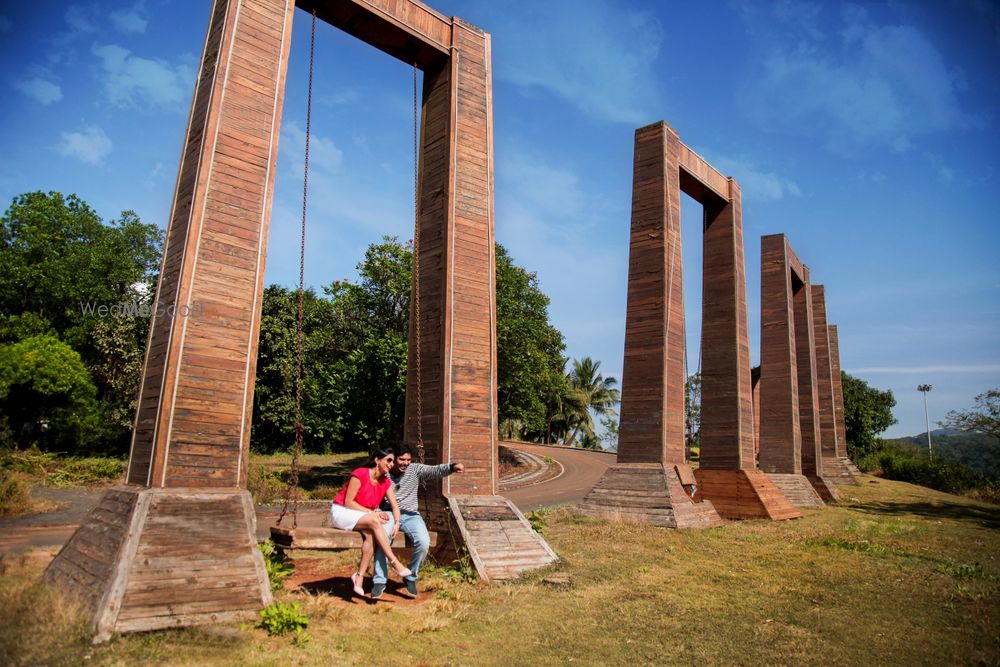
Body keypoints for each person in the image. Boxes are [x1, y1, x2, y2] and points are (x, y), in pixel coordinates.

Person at [371, 444, 463, 599]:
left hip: (411, 514)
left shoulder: (414, 470)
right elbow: (371, 491)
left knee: (423, 541)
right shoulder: (384, 473)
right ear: (393, 459)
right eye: (402, 459)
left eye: (408, 460)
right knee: (382, 539)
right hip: (388, 513)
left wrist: (452, 467)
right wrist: (377, 512)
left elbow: (434, 470)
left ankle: (411, 576)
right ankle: (379, 580)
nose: (405, 463)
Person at [330, 447, 412, 598]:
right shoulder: (360, 474)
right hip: (342, 512)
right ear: (377, 460)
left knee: (371, 535)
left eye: (393, 461)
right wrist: (372, 513)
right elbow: (348, 502)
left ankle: (359, 576)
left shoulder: (385, 482)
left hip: (362, 516)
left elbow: (394, 505)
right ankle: (394, 562)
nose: (391, 464)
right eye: (388, 460)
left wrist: (397, 523)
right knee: (376, 521)